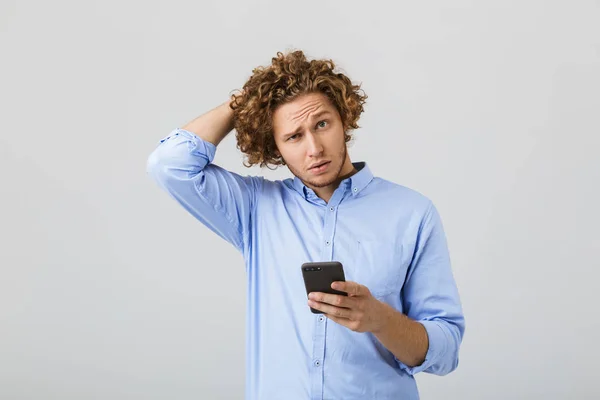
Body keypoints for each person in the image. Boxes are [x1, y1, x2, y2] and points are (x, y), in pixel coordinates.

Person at [146, 50, 465, 400]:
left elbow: (445, 352)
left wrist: (380, 319)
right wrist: (247, 102)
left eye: (322, 124)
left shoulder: (413, 213)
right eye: (293, 136)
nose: (314, 148)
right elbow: (170, 164)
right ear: (275, 146)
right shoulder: (255, 209)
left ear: (345, 119)